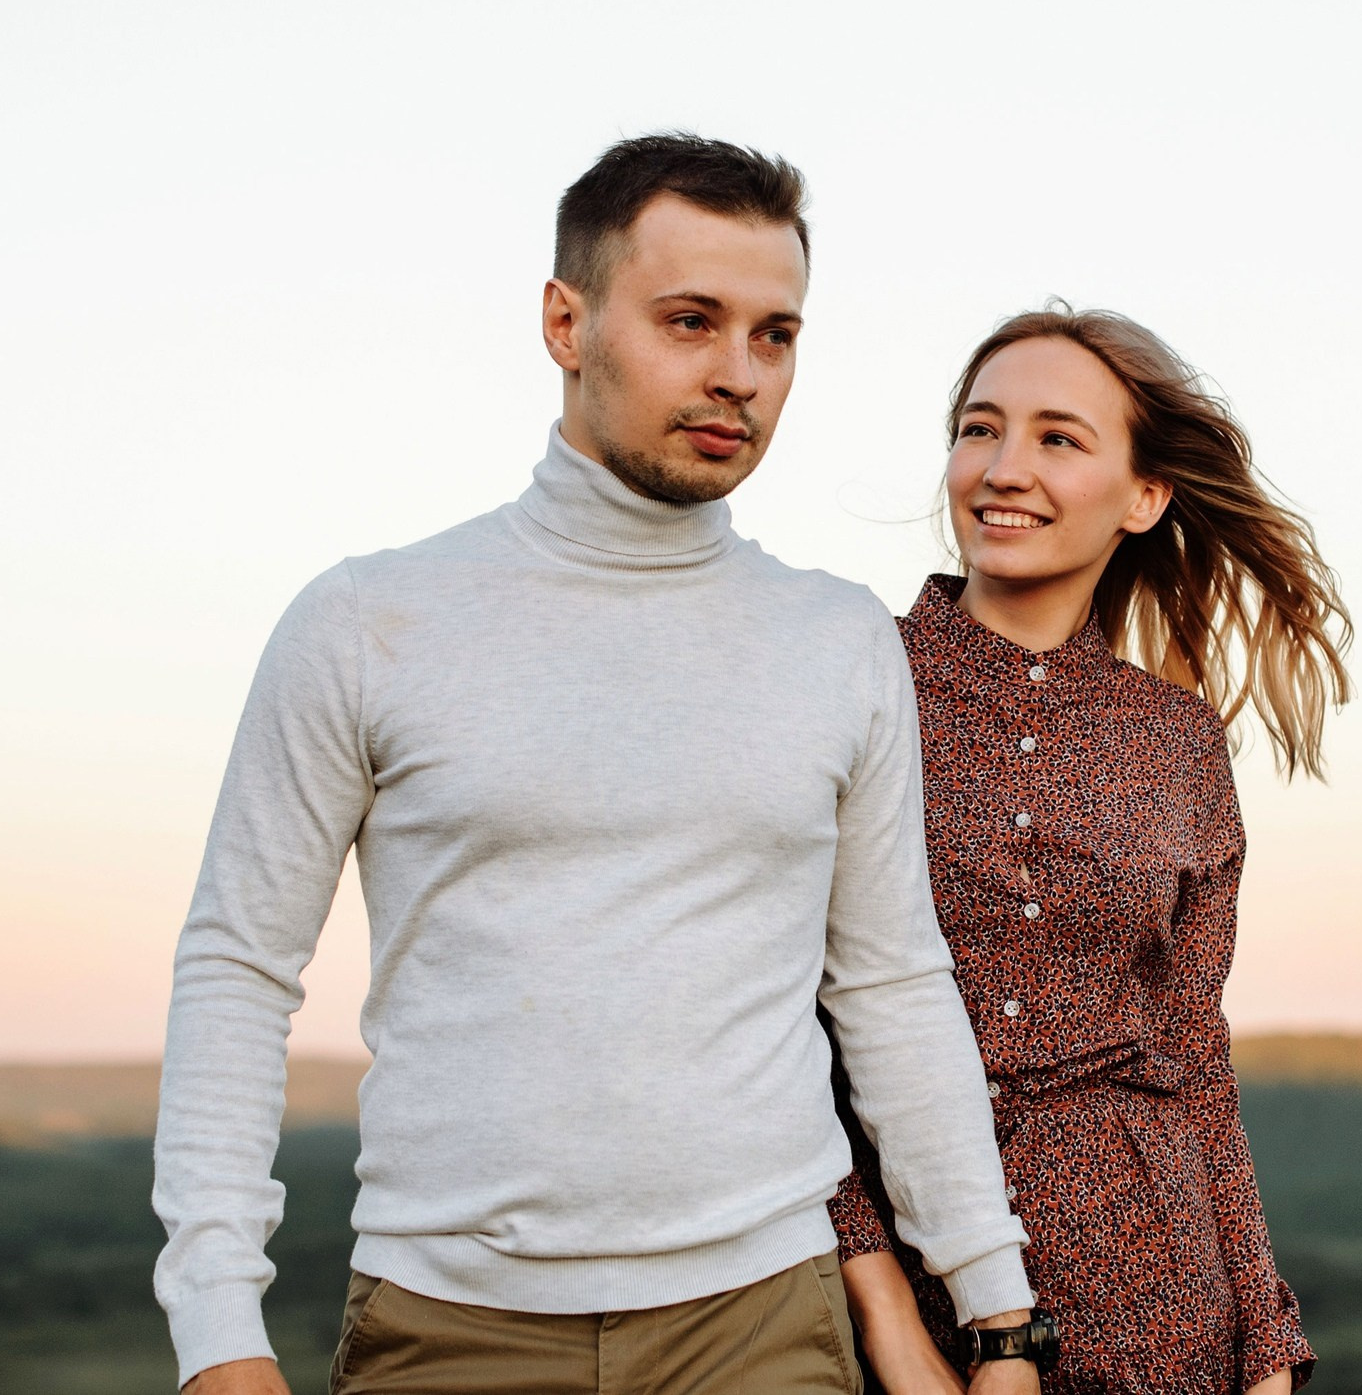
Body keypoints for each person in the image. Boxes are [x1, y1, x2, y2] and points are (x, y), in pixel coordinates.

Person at [152, 134, 1042, 1395]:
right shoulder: (365, 621)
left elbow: (891, 981)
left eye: (774, 334)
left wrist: (996, 1311)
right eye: (691, 320)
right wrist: (215, 1325)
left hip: (763, 1323)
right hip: (450, 1321)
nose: (738, 374)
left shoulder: (836, 638)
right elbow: (239, 965)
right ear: (565, 323)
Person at [828, 308, 1351, 1395]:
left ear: (1144, 493)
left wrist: (1263, 1339)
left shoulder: (1177, 740)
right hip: (893, 1287)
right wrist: (880, 1306)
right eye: (979, 428)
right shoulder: (845, 684)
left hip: (1158, 1293)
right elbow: (775, 1023)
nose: (1003, 467)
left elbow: (1191, 1054)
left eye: (1058, 437)